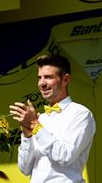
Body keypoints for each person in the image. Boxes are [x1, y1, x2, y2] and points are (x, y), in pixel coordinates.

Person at [9, 54, 96, 183]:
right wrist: (27, 136)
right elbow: (25, 169)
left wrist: (35, 125)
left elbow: (65, 156)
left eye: (48, 77)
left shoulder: (81, 114)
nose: (42, 83)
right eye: (40, 78)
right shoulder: (41, 119)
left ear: (66, 79)